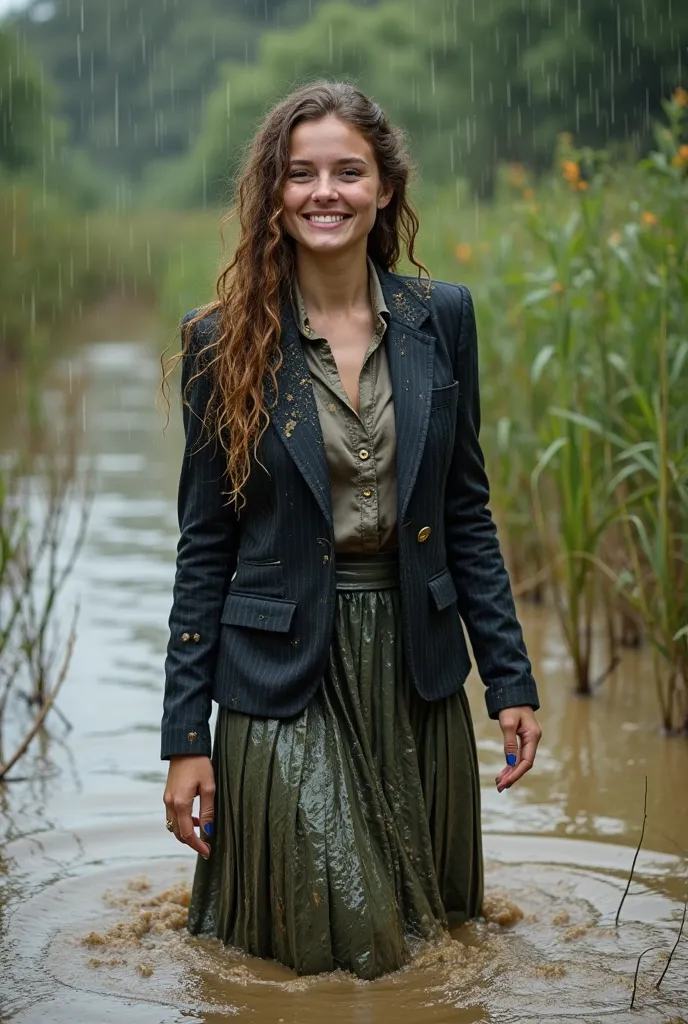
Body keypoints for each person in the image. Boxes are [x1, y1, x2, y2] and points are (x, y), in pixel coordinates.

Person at [161, 80, 542, 981]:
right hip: (279, 672)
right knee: (349, 939)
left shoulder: (442, 318)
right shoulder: (221, 341)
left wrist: (510, 678)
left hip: (413, 664)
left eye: (346, 170)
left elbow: (463, 510)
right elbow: (203, 543)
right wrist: (185, 737)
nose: (323, 191)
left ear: (383, 188)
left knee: (426, 943)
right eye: (300, 173)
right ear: (274, 194)